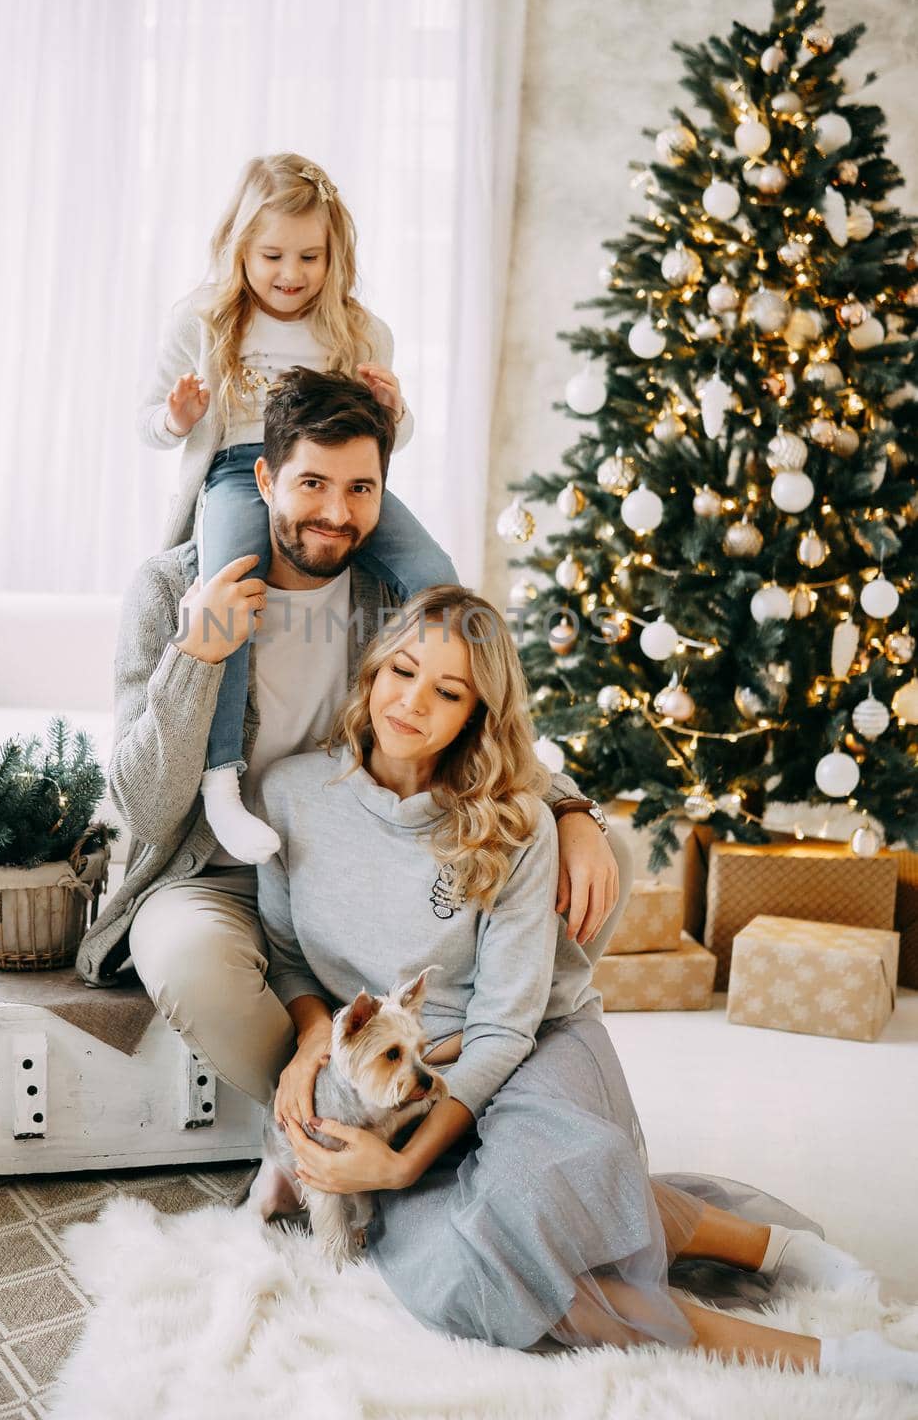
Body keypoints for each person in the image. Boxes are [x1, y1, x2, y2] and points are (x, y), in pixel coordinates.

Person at [255, 585, 912, 1387]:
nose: (413, 702)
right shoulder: (291, 794)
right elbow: (286, 954)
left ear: (478, 713)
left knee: (543, 1196)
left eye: (449, 691)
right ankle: (804, 1305)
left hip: (531, 1044)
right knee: (478, 1271)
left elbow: (504, 1023)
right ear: (371, 670)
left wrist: (398, 1168)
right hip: (395, 1073)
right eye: (401, 670)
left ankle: (808, 1307)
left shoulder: (514, 820)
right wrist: (315, 1040)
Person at [78, 371, 626, 1115]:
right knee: (187, 961)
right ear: (265, 478)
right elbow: (143, 808)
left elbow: (477, 706)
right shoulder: (168, 587)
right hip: (210, 866)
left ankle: (468, 1069)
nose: (335, 514)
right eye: (311, 483)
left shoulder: (390, 590)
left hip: (367, 858)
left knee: (602, 856)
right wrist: (196, 659)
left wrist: (570, 809)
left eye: (360, 489)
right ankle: (328, 1118)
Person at [138, 152, 457, 864]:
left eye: (309, 256)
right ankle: (222, 780)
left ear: (333, 253)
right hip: (234, 471)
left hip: (332, 474)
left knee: (438, 576)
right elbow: (145, 422)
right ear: (239, 249)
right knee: (228, 600)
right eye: (272, 254)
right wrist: (176, 417)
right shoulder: (201, 319)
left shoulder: (358, 330)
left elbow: (384, 443)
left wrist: (393, 412)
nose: (291, 273)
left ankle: (439, 751)